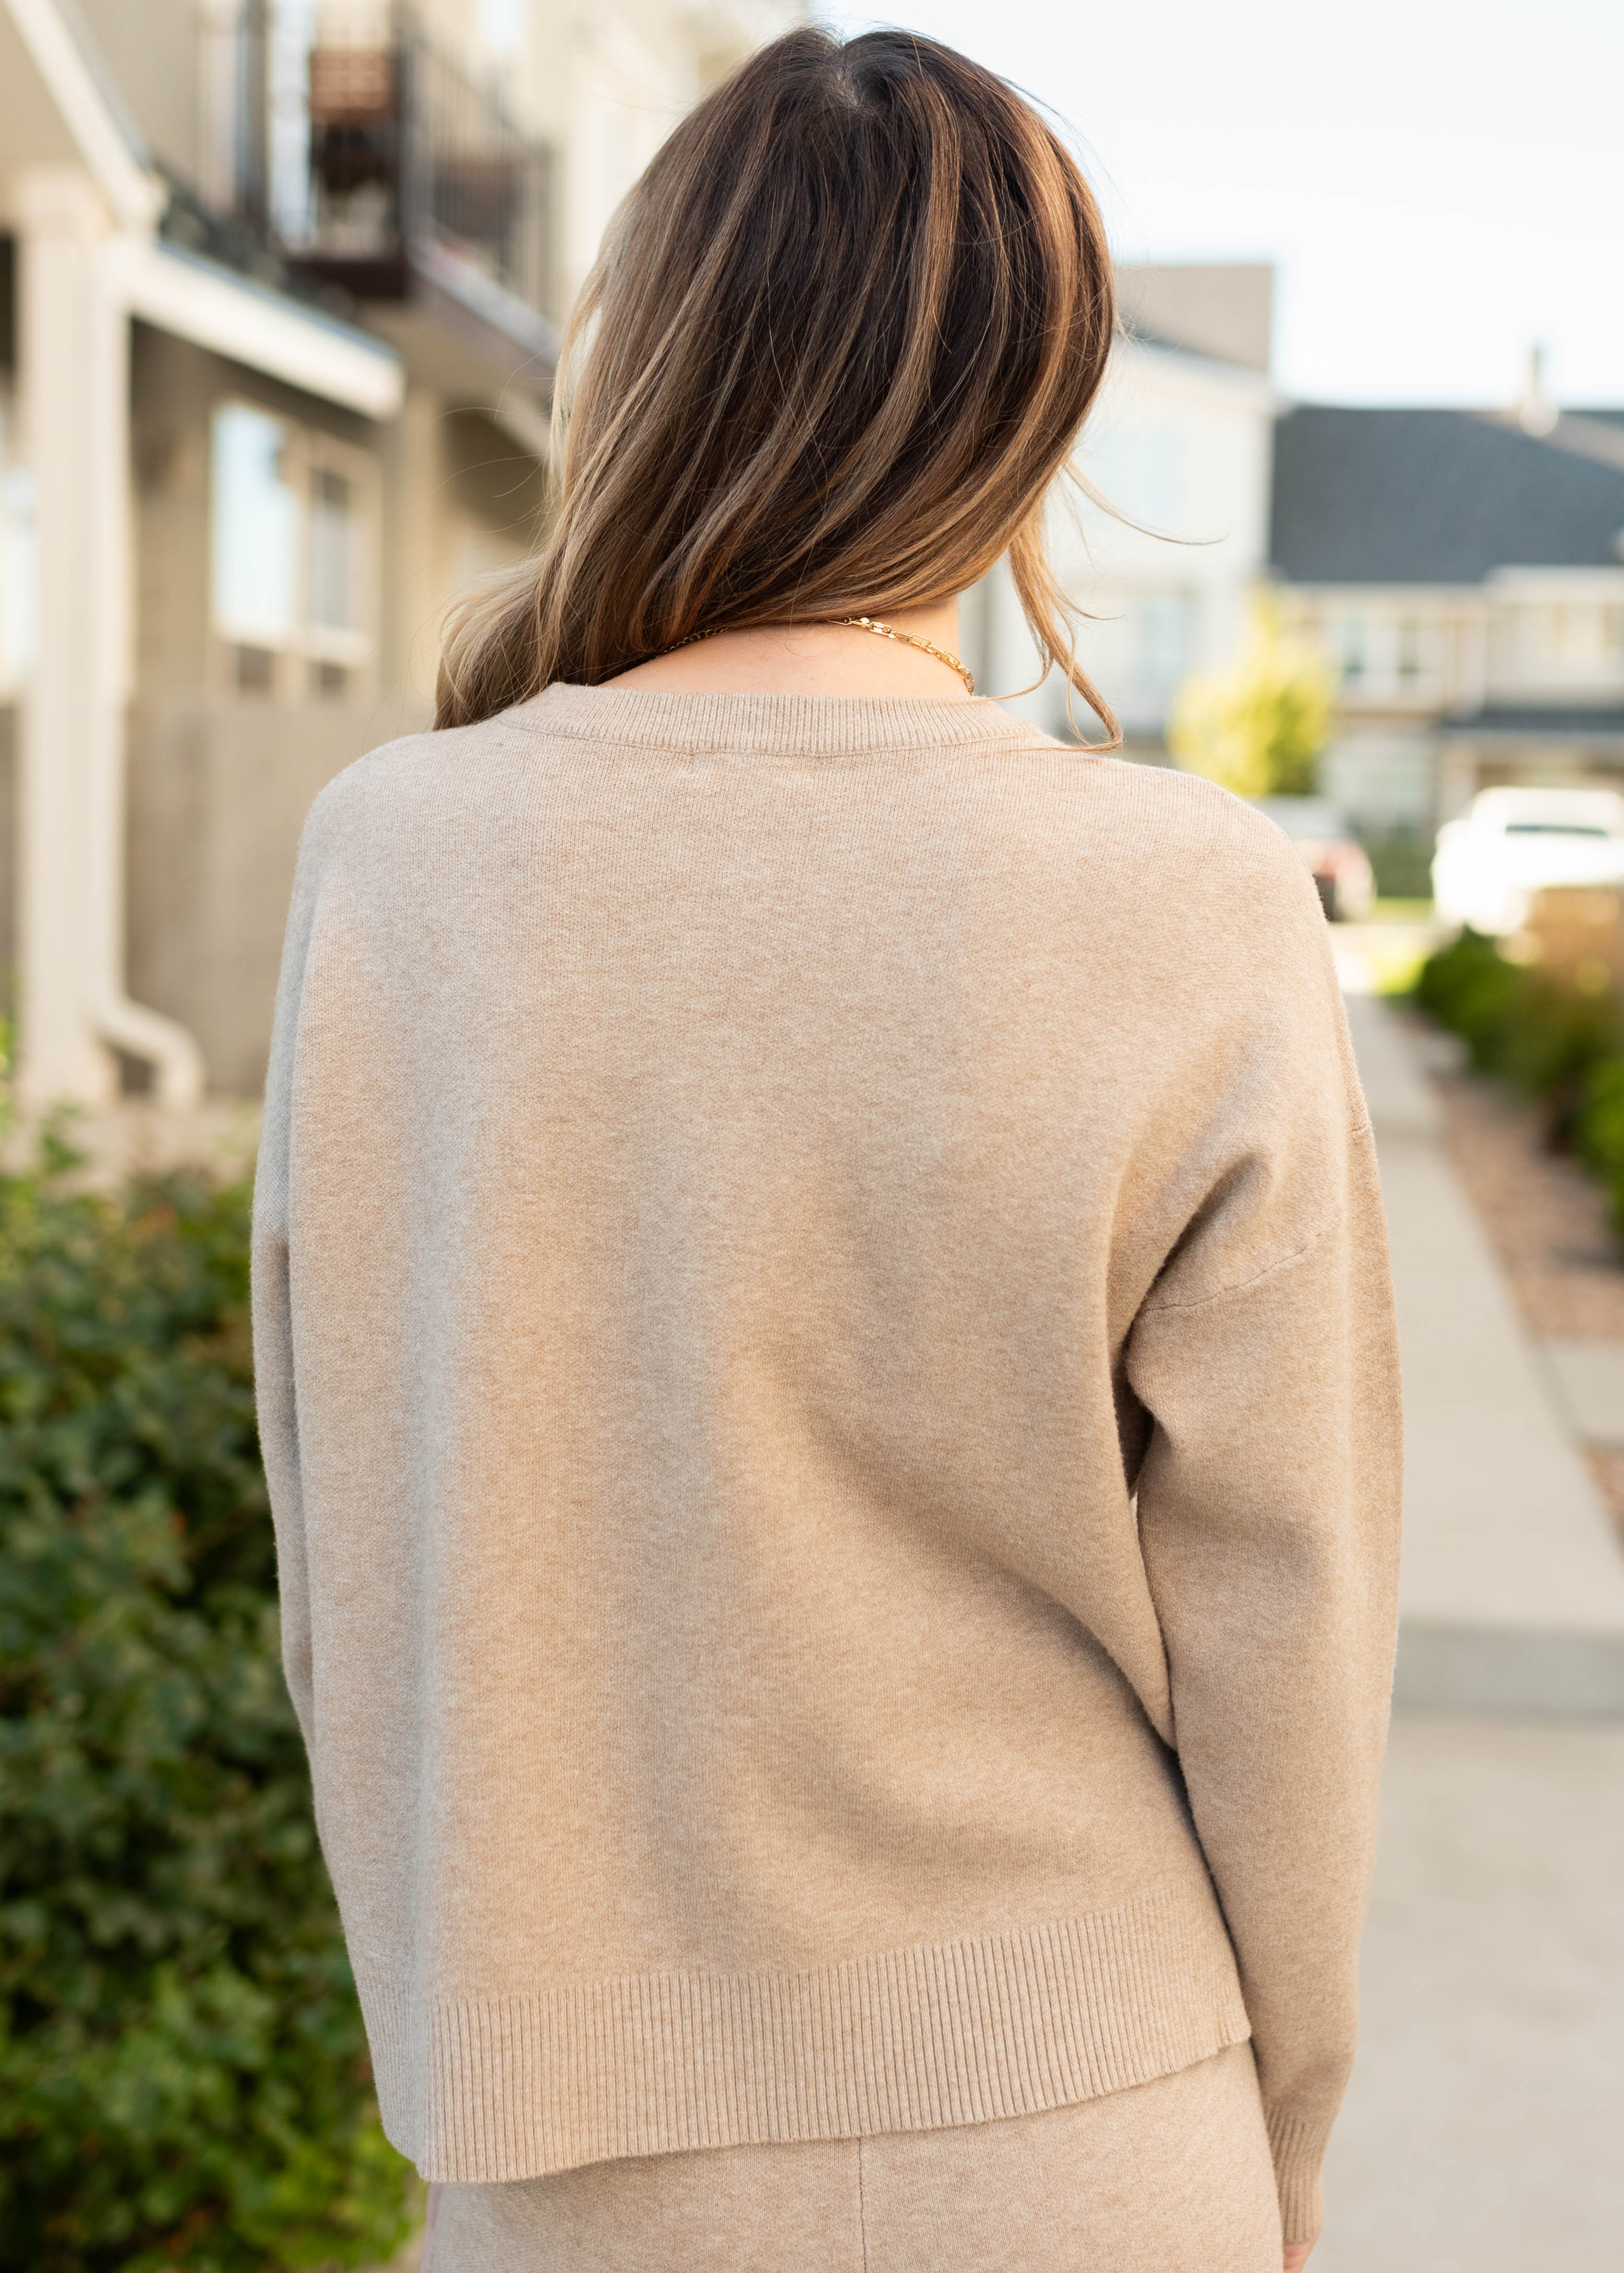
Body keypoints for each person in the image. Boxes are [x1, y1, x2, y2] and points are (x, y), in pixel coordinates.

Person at [253, 27, 1402, 2273]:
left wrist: (459, 2037)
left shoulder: (396, 858)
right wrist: (1283, 2134)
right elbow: (1292, 1618)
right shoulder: (1186, 895)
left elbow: (348, 1539)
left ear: (647, 360)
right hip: (1082, 2126)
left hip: (544, 2149)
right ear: (1033, 403)